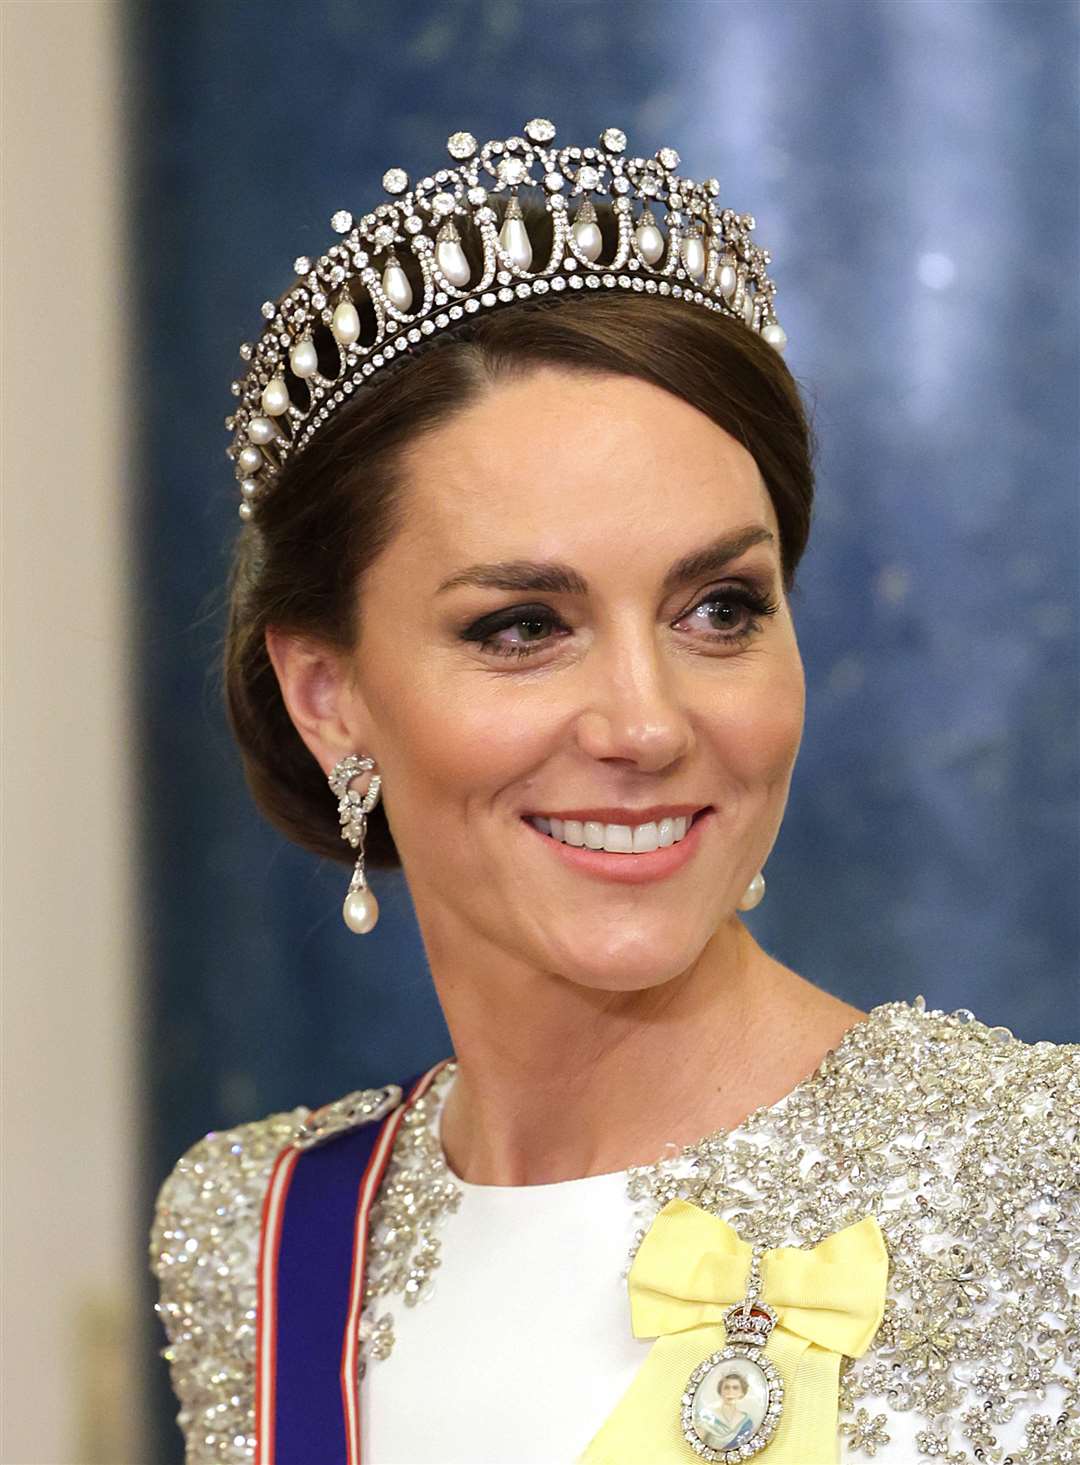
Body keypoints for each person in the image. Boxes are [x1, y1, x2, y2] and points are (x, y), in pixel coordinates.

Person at [150, 118, 1078, 1465]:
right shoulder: (256, 1236)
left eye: (719, 607)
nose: (647, 723)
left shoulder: (1044, 1189)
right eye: (523, 625)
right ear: (327, 695)